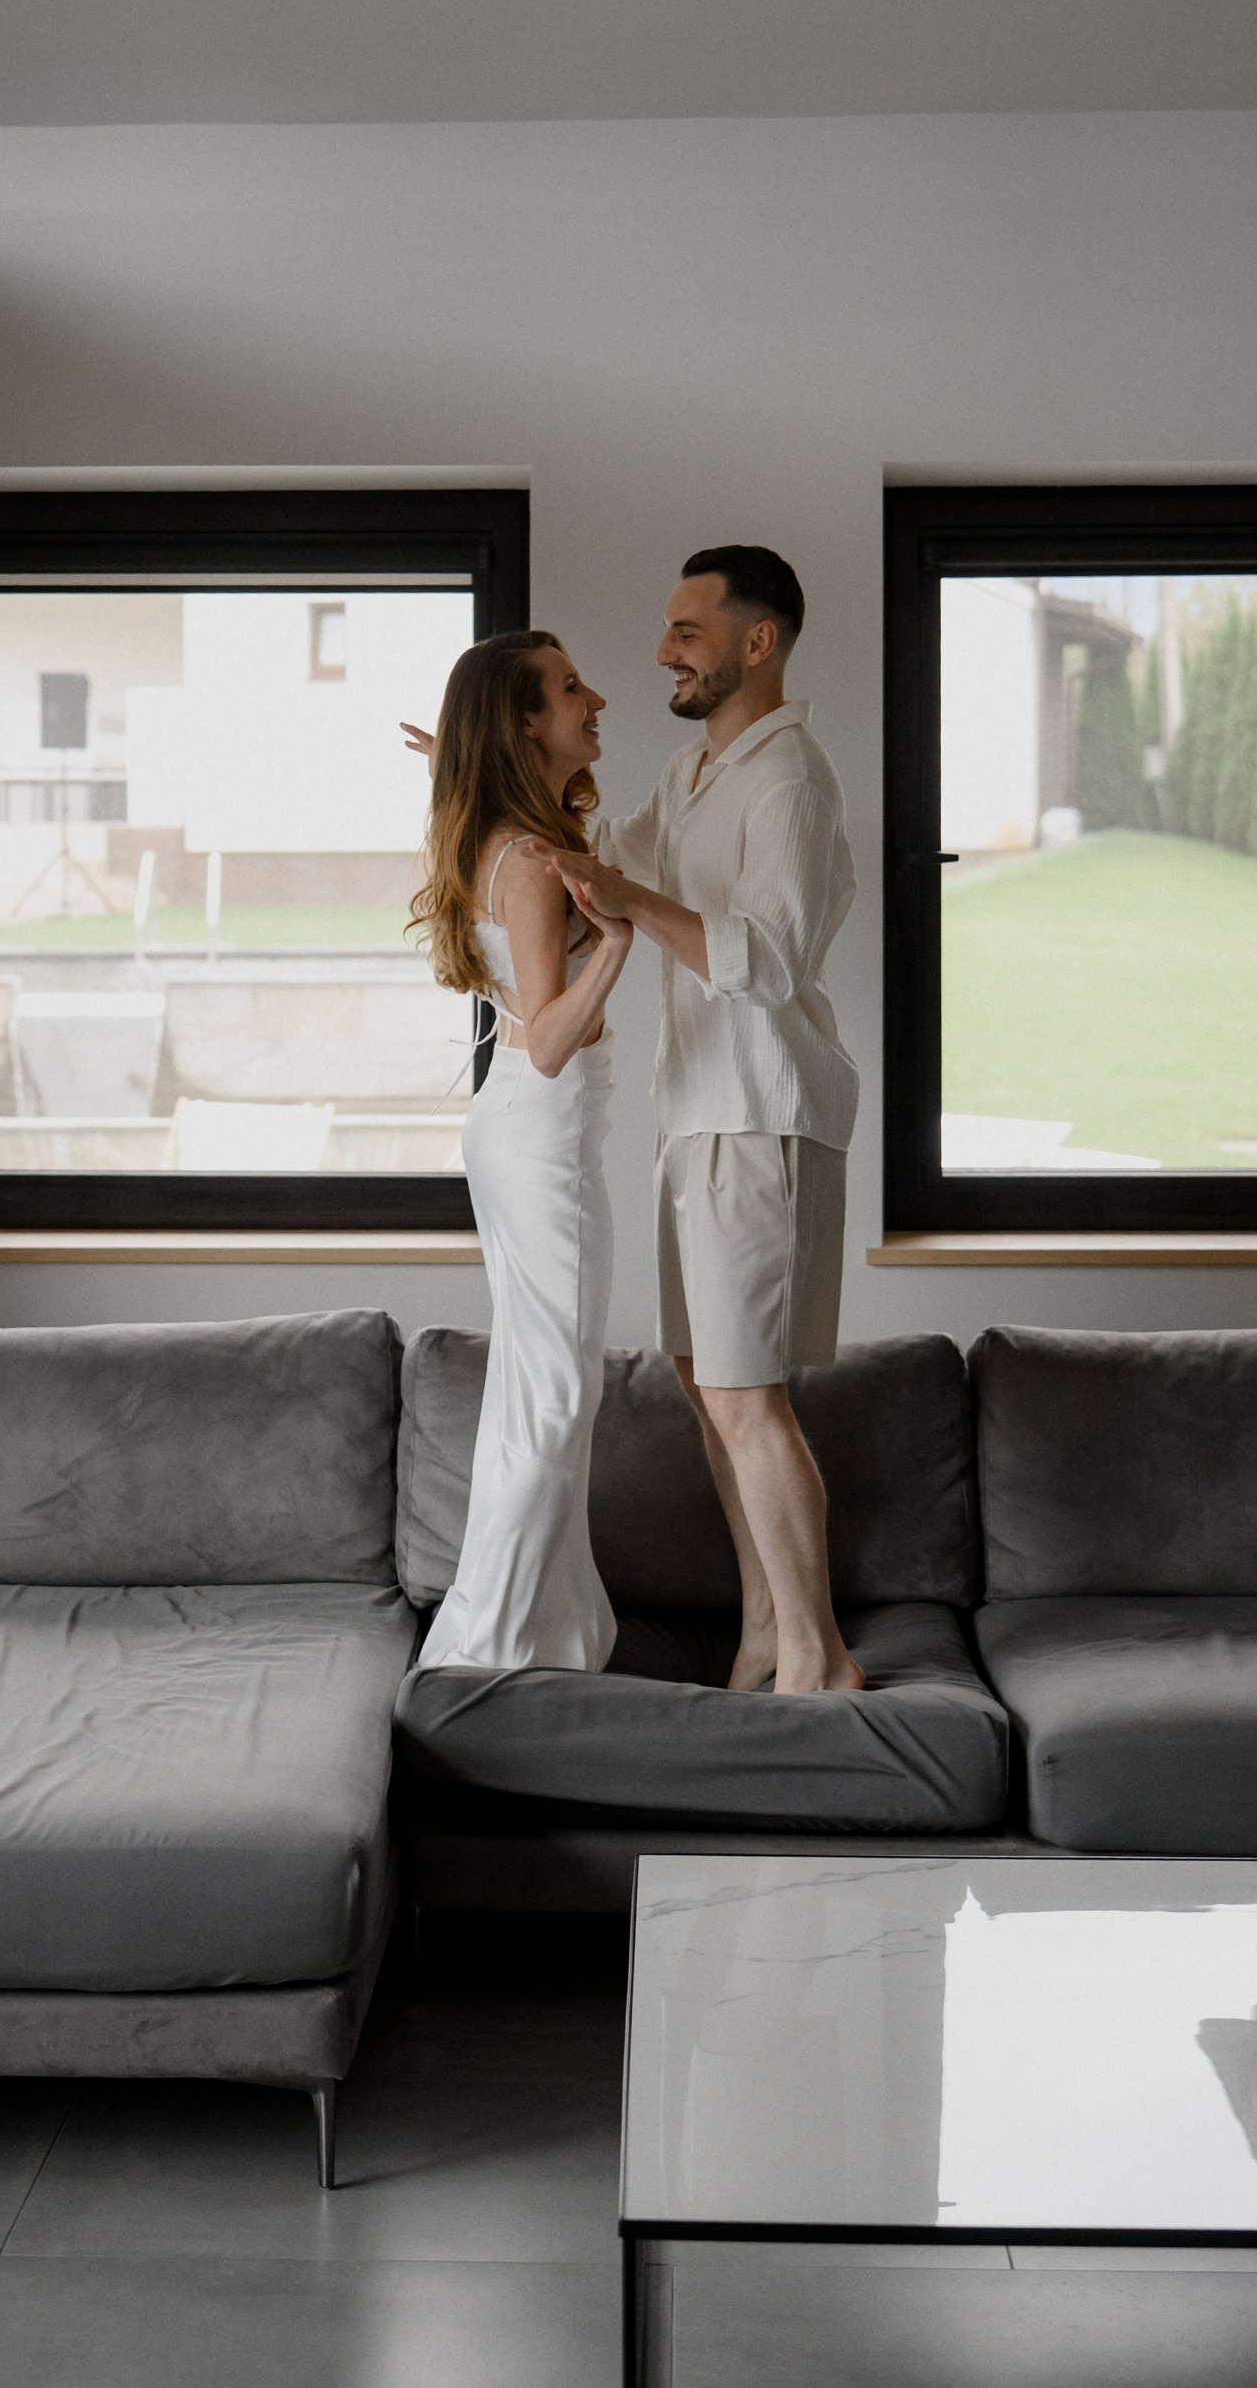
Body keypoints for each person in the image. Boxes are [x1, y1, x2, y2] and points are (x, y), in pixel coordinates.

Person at [551, 547, 862, 1697]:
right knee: (702, 1382)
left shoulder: (791, 781)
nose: (663, 650)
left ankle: (820, 1657)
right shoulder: (693, 772)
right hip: (695, 1113)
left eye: (688, 631)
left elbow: (772, 961)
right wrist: (481, 782)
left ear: (756, 642)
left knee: (743, 1393)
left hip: (758, 1114)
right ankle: (765, 1633)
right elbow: (600, 866)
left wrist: (636, 900)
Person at [408, 631, 633, 1672]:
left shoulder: (505, 839)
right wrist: (617, 947)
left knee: (534, 1394)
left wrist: (450, 757)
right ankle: (487, 1654)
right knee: (553, 1398)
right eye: (571, 687)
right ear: (526, 723)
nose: (597, 700)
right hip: (541, 1137)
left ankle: (547, 1637)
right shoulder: (534, 867)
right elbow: (547, 1041)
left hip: (512, 1131)